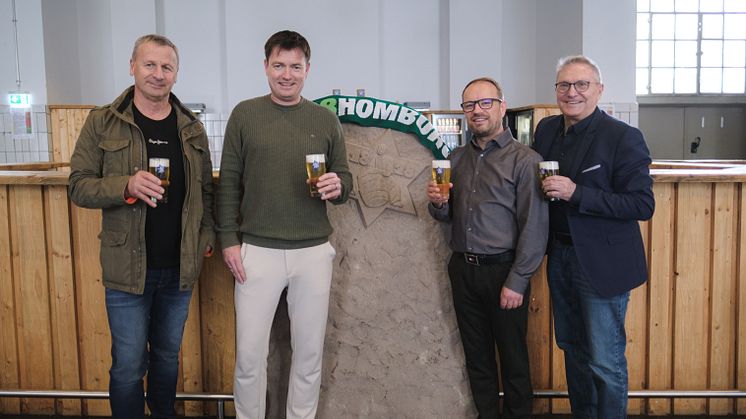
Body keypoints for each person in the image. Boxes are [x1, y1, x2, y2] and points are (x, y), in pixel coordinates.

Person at [68, 34, 215, 419]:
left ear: (176, 74)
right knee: (129, 365)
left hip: (179, 270)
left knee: (167, 360)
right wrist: (125, 185)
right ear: (132, 67)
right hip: (127, 271)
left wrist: (207, 236)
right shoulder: (103, 121)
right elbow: (78, 185)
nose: (158, 74)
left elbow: (205, 192)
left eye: (167, 67)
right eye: (149, 64)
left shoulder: (192, 128)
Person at [217, 30, 352, 419]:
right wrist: (228, 240)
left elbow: (344, 178)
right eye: (279, 65)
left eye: (295, 66)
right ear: (265, 67)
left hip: (312, 251)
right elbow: (228, 182)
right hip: (255, 251)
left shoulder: (325, 120)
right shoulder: (245, 114)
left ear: (308, 70)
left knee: (309, 354)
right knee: (248, 356)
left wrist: (338, 184)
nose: (286, 74)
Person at [532, 55, 654, 419]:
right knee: (572, 349)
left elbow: (642, 204)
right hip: (560, 257)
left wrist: (576, 193)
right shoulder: (547, 130)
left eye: (582, 84)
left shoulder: (624, 137)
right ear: (556, 91)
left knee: (605, 361)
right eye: (564, 85)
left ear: (599, 90)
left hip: (603, 266)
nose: (572, 92)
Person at [427, 77, 548, 418]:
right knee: (477, 358)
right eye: (469, 105)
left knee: (513, 360)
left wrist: (518, 279)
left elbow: (535, 226)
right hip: (463, 268)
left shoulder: (526, 160)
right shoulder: (456, 157)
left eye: (485, 103)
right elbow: (446, 214)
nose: (477, 111)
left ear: (502, 107)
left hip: (504, 272)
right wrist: (438, 203)